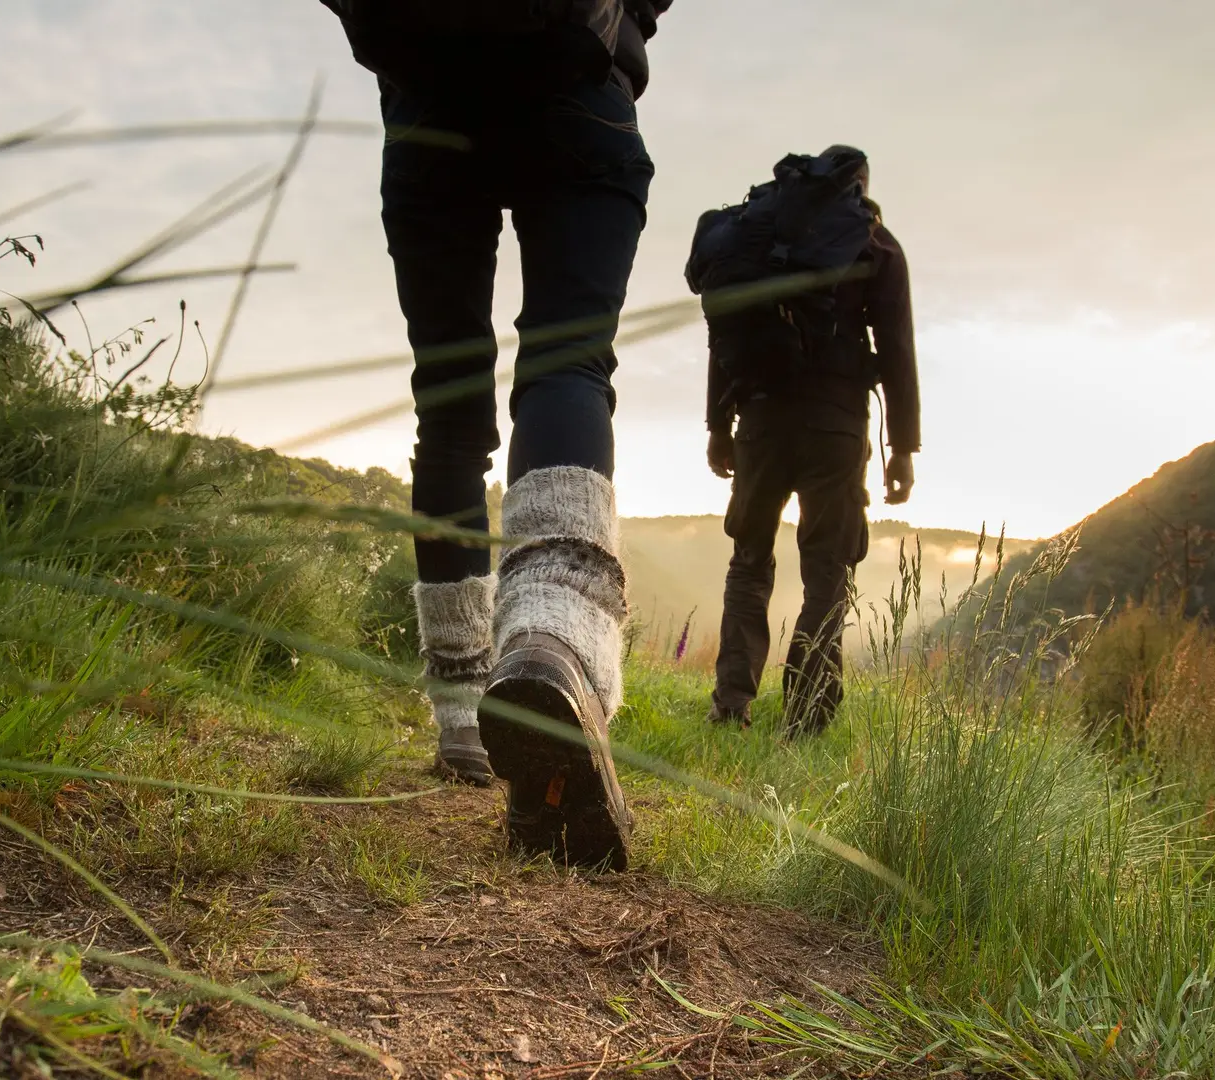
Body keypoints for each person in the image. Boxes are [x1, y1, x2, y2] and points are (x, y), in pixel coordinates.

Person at [320, 1, 670, 870]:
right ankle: (553, 647)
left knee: (448, 413)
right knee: (568, 365)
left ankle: (459, 717)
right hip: (577, 91)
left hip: (428, 107)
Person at [702, 146, 919, 735]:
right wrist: (902, 447)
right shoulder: (876, 243)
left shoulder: (763, 240)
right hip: (835, 428)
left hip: (762, 422)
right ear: (861, 186)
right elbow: (897, 347)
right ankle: (804, 717)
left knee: (749, 560)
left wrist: (718, 426)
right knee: (827, 571)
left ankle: (731, 705)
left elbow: (727, 328)